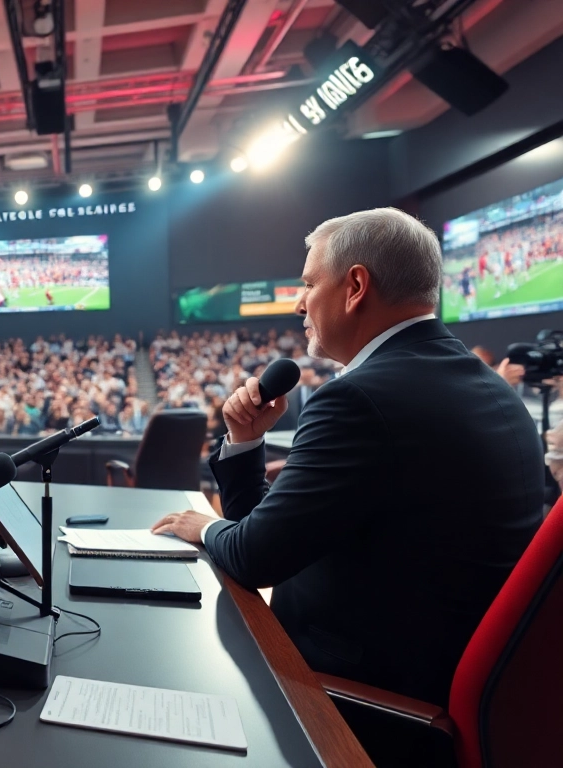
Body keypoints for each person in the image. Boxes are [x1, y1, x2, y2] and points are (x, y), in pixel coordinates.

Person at [151, 208, 543, 710]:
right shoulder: (490, 387)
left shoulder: (359, 398)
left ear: (355, 286)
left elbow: (254, 558)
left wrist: (200, 527)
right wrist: (246, 442)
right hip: (454, 689)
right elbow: (276, 536)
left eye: (309, 283)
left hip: (360, 701)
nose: (298, 304)